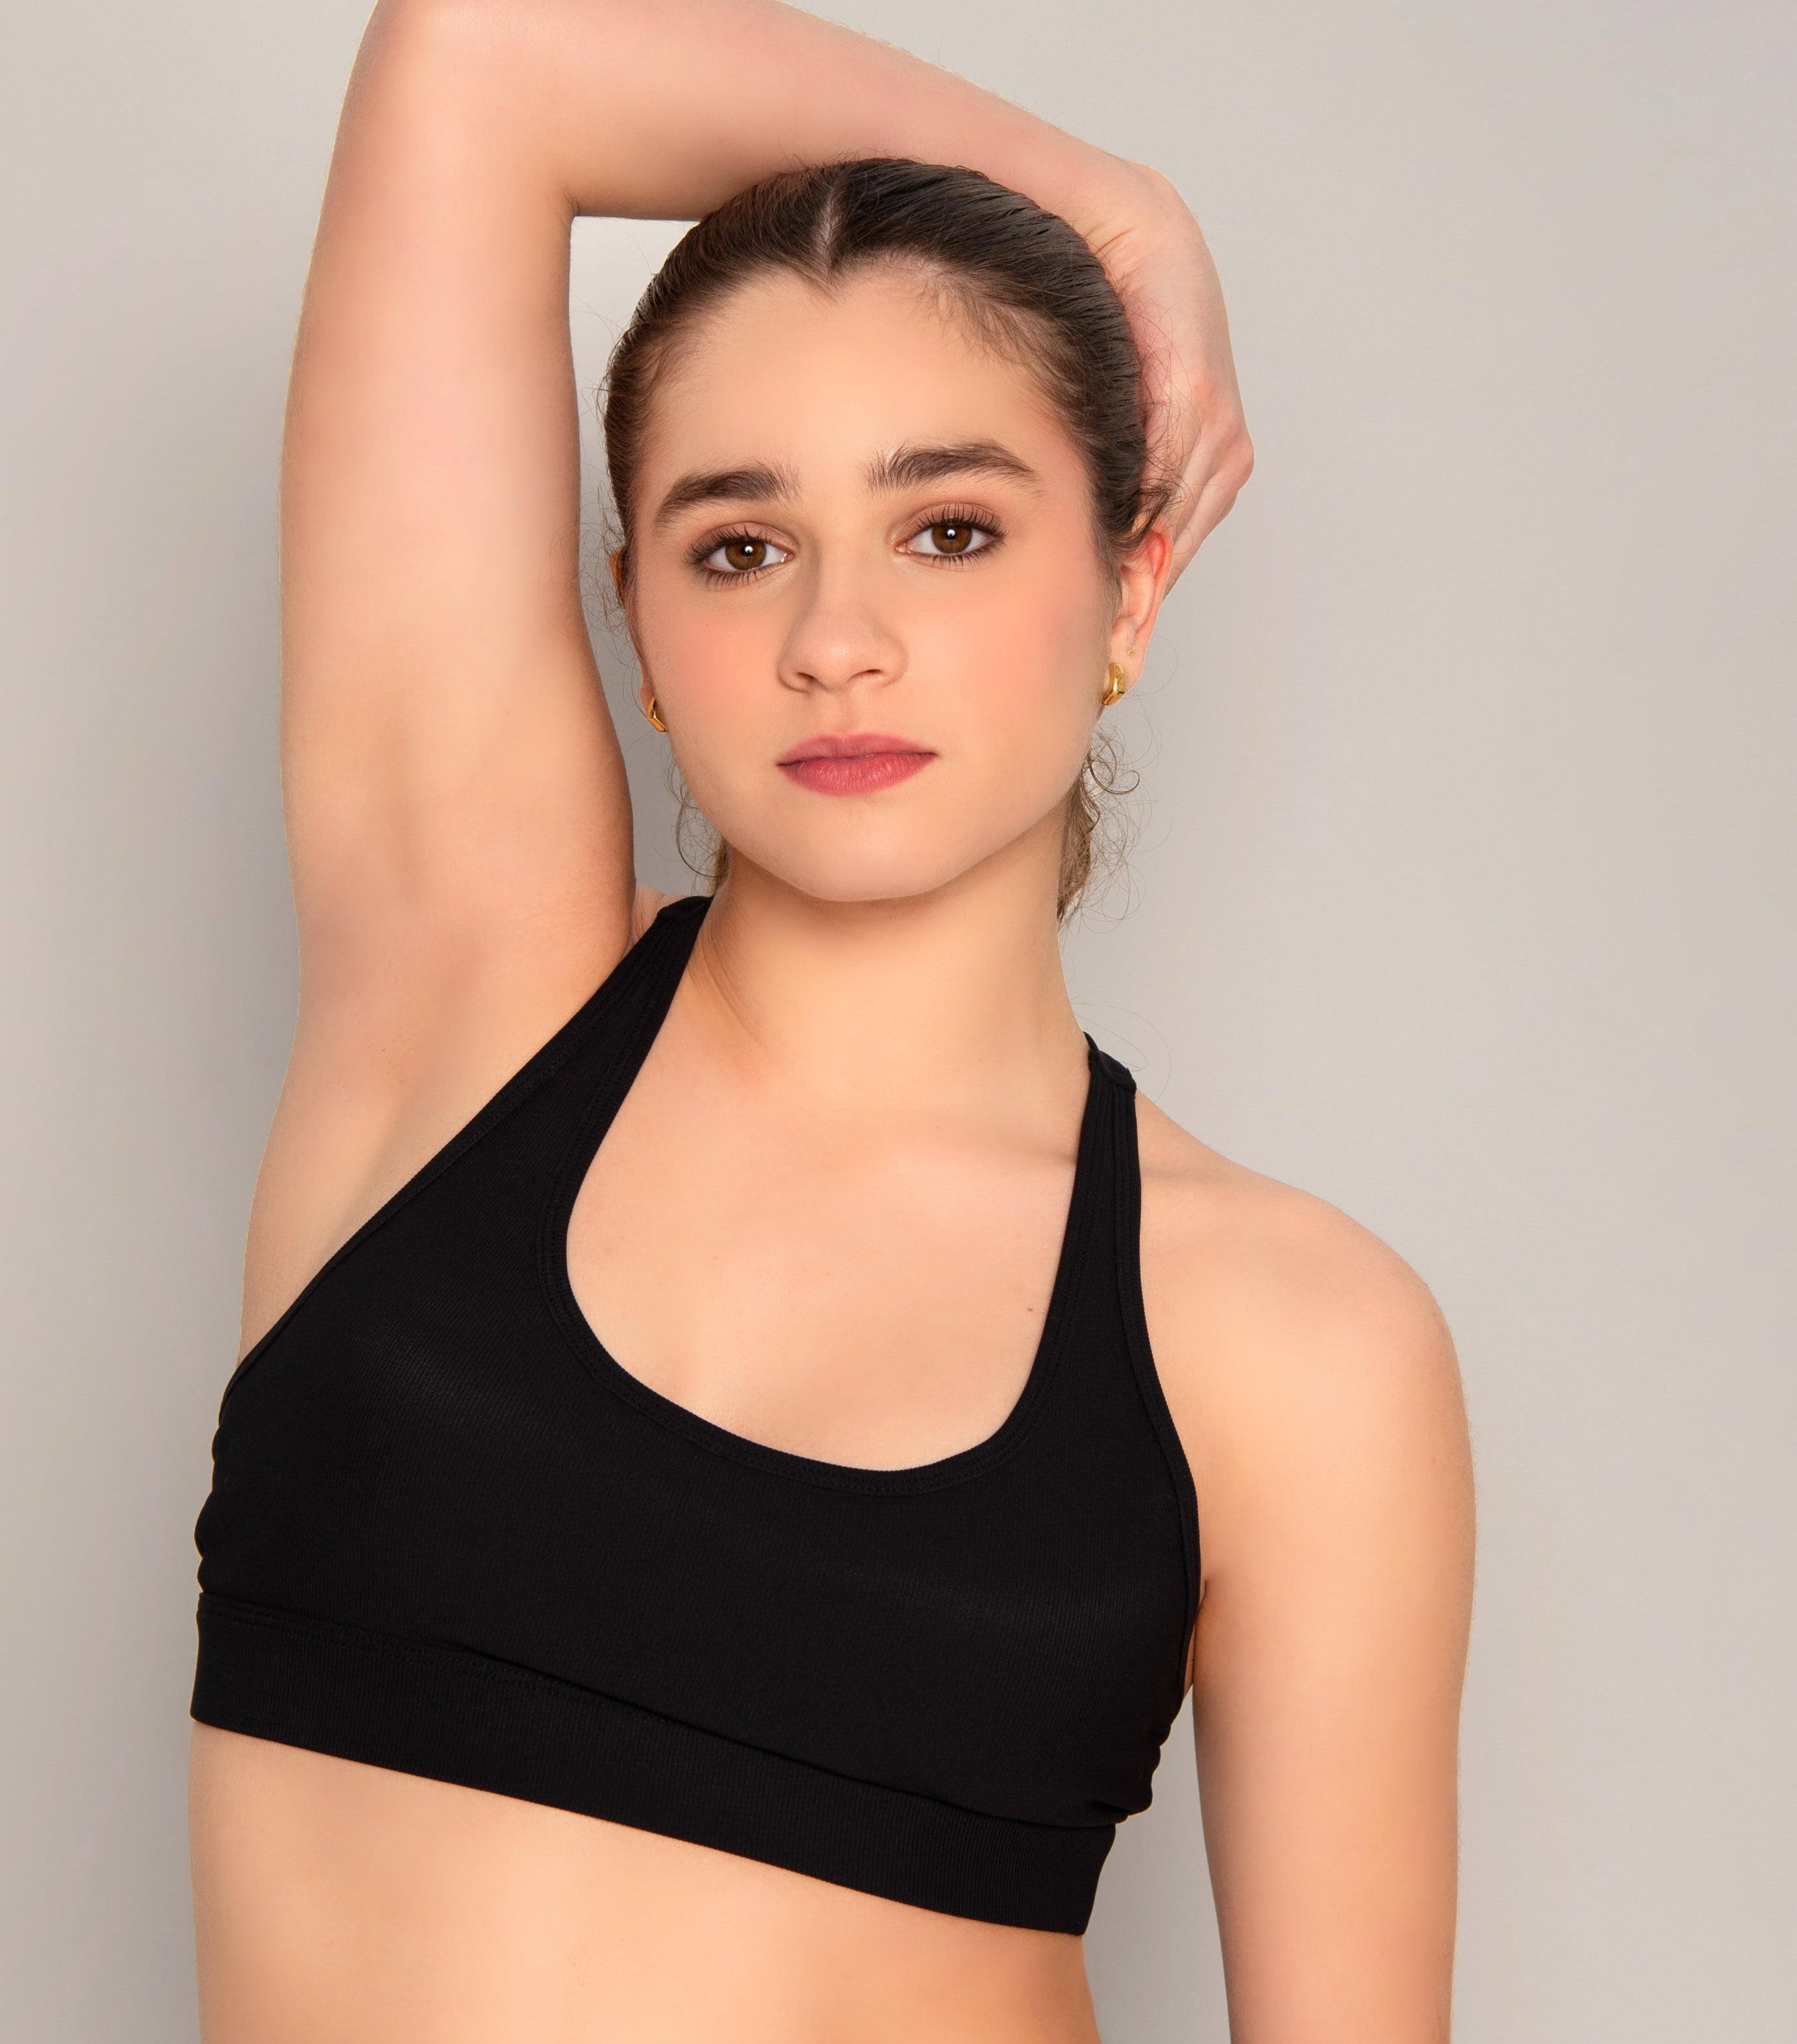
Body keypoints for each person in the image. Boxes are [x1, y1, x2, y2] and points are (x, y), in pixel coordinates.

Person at [184, 1, 1474, 2037]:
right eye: (742, 543)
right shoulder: (468, 1002)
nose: (837, 640)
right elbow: (480, 51)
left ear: (1133, 587)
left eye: (949, 527)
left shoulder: (1291, 1344)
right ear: (641, 621)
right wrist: (1116, 212)